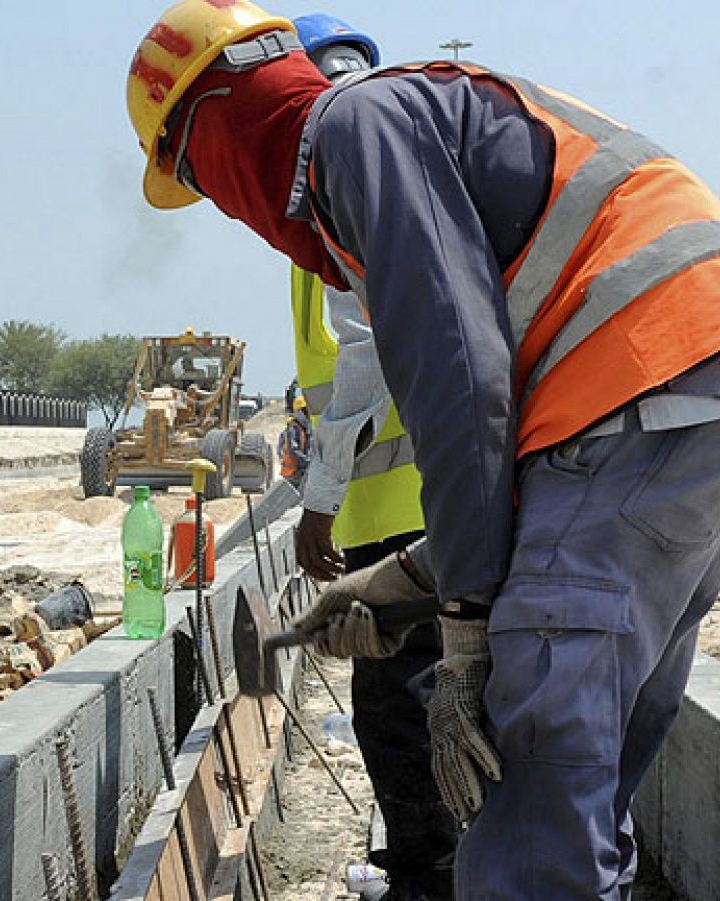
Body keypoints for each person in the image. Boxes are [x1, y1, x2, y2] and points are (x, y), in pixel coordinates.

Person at [127, 4, 720, 898]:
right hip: (712, 399)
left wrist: (466, 633)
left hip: (639, 385)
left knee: (529, 808)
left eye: (196, 176)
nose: (219, 202)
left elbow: (464, 380)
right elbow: (530, 449)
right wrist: (410, 581)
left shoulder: (357, 130)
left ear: (215, 118)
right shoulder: (420, 123)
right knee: (580, 795)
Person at [283, 15, 458, 900]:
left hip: (395, 520)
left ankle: (428, 876)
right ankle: (429, 864)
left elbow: (363, 355)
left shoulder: (335, 182)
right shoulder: (408, 170)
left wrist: (319, 497)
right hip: (439, 501)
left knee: (400, 710)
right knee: (430, 697)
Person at [277, 395, 312, 483]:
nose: (308, 414)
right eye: (306, 411)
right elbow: (293, 450)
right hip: (293, 474)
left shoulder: (303, 428)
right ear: (299, 412)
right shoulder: (293, 429)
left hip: (298, 472)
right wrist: (308, 462)